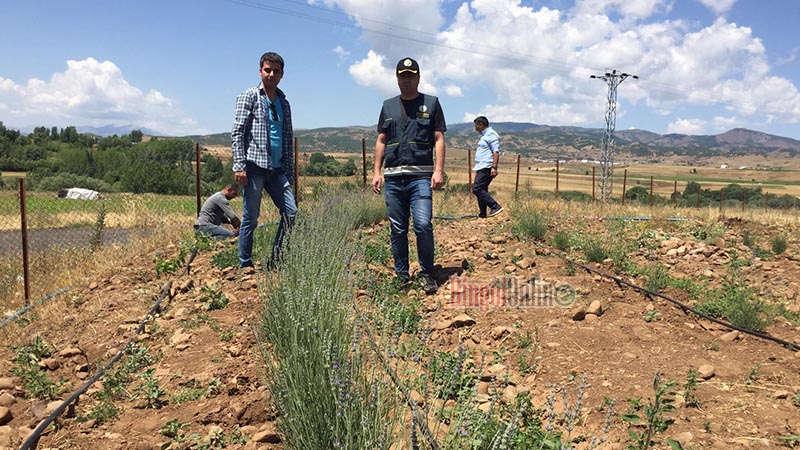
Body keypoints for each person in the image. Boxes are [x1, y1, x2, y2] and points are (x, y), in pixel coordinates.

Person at [372, 57, 446, 294]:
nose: (406, 79)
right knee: (398, 229)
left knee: (423, 225)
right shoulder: (388, 106)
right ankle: (402, 276)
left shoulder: (431, 103)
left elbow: (438, 138)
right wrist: (376, 172)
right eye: (402, 75)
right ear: (397, 78)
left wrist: (438, 170)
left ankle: (427, 273)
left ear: (418, 77)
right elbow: (381, 140)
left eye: (411, 75)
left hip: (421, 177)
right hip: (393, 178)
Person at [232, 51, 298, 269]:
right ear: (260, 71)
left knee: (291, 212)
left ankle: (277, 259)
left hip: (277, 169)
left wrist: (288, 170)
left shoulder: (284, 102)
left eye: (275, 71)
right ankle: (245, 263)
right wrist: (239, 166)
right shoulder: (249, 96)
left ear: (282, 74)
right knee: (251, 217)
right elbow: (238, 132)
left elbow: (287, 137)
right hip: (254, 167)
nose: (271, 74)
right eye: (267, 70)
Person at [471, 116, 503, 218]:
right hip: (482, 166)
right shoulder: (486, 135)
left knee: (477, 188)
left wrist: (494, 167)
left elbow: (496, 152)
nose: (475, 128)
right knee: (482, 189)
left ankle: (495, 206)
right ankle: (482, 214)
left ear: (481, 125)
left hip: (487, 166)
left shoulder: (491, 135)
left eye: (476, 126)